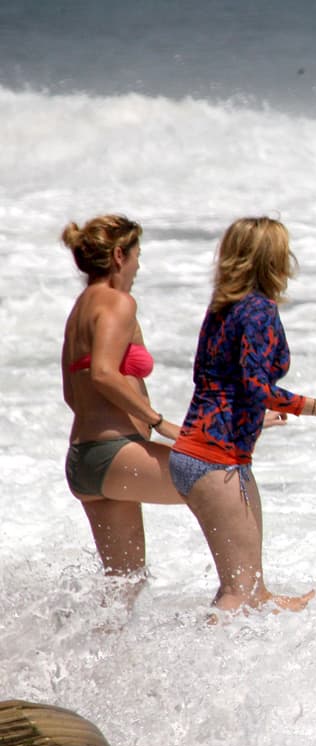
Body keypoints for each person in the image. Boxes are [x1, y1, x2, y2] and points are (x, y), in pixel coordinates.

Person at [169, 217, 316, 613]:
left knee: (253, 591)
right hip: (215, 458)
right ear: (273, 259)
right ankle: (201, 671)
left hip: (198, 452)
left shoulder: (222, 307)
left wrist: (251, 418)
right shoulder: (258, 310)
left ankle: (232, 662)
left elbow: (210, 380)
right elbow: (255, 386)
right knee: (238, 593)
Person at [60, 214, 184, 593]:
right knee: (219, 480)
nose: (138, 264)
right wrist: (158, 422)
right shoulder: (117, 302)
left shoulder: (81, 308)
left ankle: (77, 652)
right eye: (136, 255)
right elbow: (102, 373)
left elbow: (72, 391)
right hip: (114, 452)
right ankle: (243, 594)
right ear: (118, 255)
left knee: (124, 587)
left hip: (85, 459)